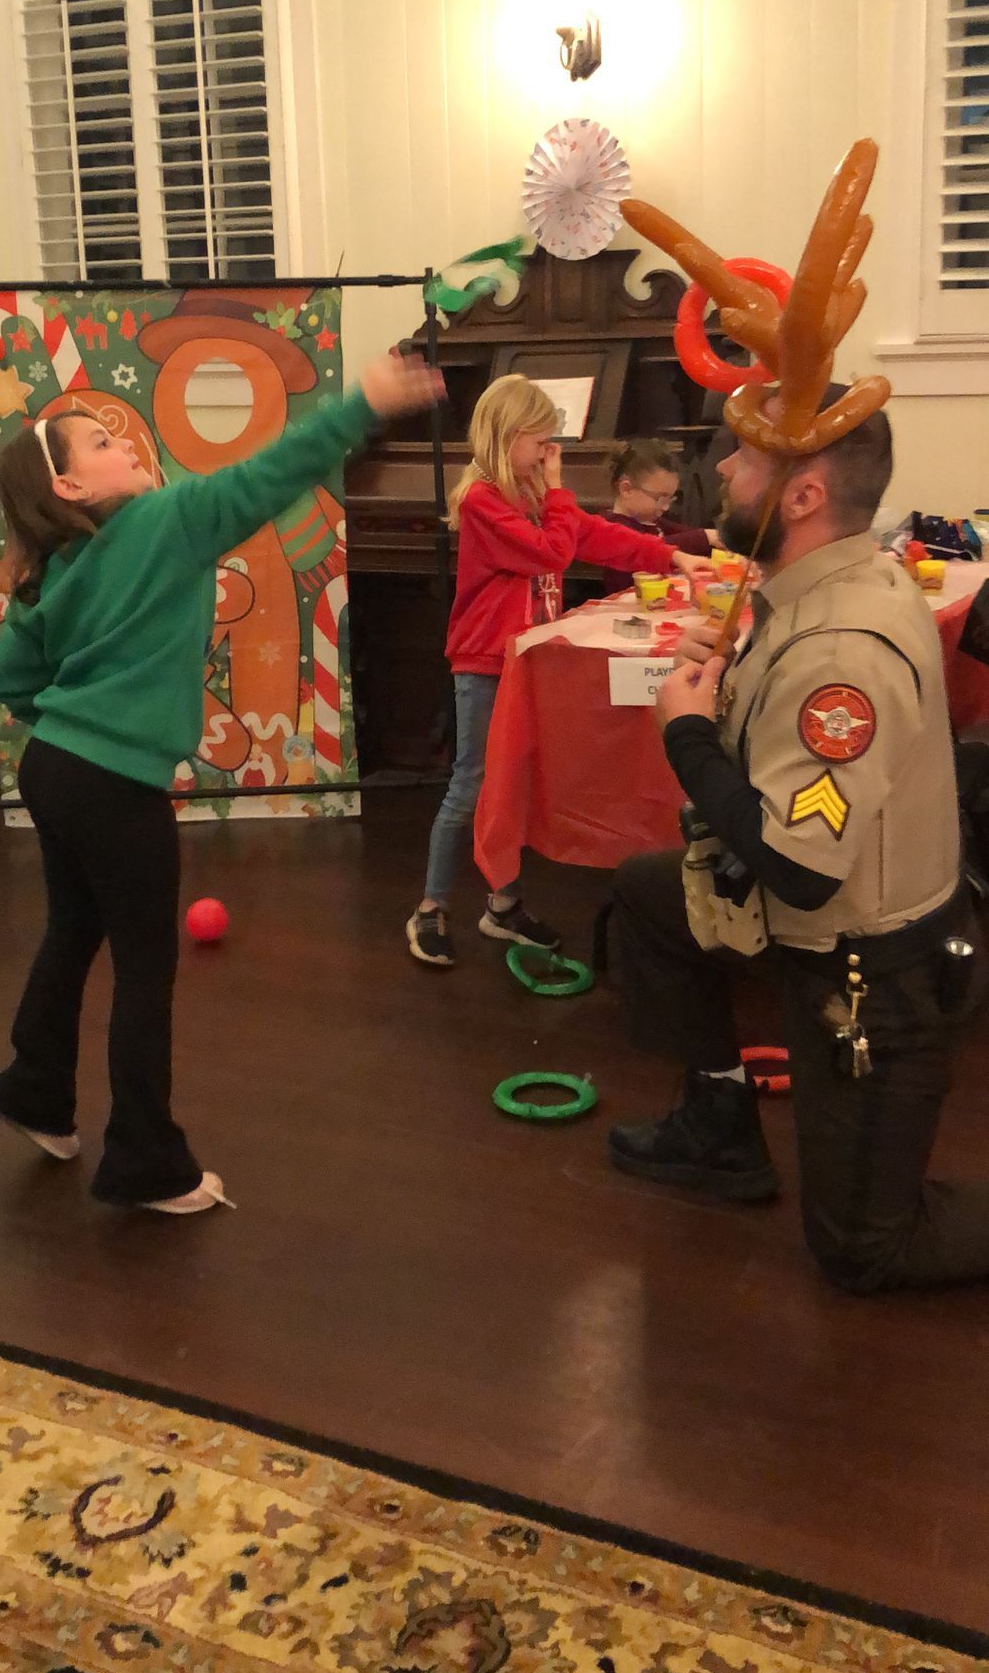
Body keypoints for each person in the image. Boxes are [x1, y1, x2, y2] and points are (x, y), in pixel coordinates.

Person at [0, 352, 444, 1215]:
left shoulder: (56, 568)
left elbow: (7, 677)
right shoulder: (170, 519)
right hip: (110, 784)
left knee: (73, 929)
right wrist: (364, 404)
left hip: (54, 770)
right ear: (70, 488)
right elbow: (276, 471)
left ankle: (34, 1089)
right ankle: (145, 1163)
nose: (125, 442)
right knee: (144, 968)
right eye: (100, 443)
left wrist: (67, 715)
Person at [605, 389, 989, 1291]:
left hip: (872, 970)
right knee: (649, 896)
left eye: (744, 459)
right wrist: (723, 688)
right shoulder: (843, 577)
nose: (722, 469)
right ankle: (717, 1123)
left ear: (806, 495)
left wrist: (686, 732)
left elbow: (796, 868)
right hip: (822, 915)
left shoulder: (841, 650)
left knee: (863, 1250)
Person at [406, 377, 712, 968]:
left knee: (516, 781)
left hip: (529, 660)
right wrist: (557, 488)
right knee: (471, 784)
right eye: (542, 441)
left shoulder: (526, 491)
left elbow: (594, 536)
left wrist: (672, 555)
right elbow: (551, 552)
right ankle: (430, 905)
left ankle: (502, 906)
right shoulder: (483, 500)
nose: (551, 452)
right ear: (508, 436)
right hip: (487, 662)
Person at [598, 438, 717, 596]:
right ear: (627, 489)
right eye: (660, 498)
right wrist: (704, 536)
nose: (666, 507)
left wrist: (716, 539)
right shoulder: (612, 527)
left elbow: (685, 533)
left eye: (670, 499)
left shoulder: (651, 521)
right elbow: (647, 547)